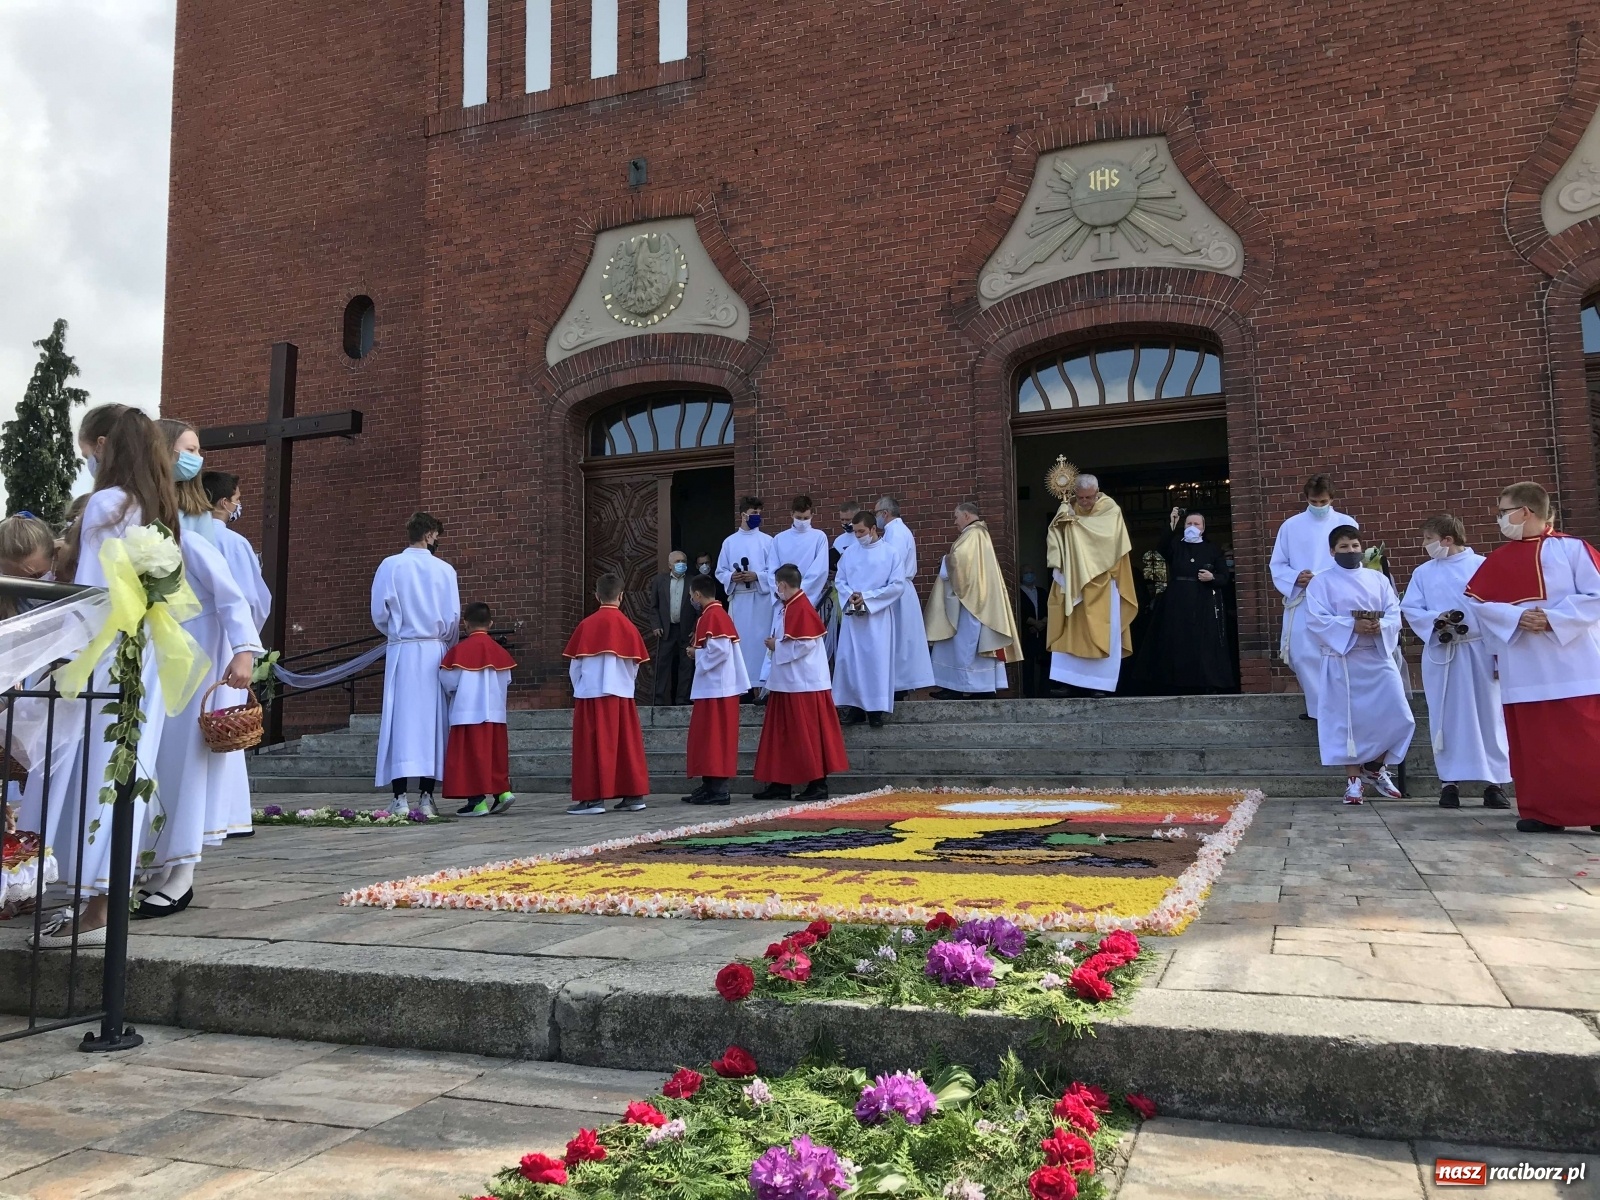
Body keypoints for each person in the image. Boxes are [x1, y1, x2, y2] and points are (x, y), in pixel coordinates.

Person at [34, 407, 179, 946]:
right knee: (125, 772)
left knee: (94, 767)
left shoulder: (106, 502)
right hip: (146, 650)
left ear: (107, 447)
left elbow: (93, 590)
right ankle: (107, 897)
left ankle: (89, 899)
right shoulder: (160, 506)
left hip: (106, 647)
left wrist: (62, 649)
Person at [142, 419, 262, 917]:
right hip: (158, 650)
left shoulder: (197, 531)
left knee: (185, 758)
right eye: (189, 449)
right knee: (156, 757)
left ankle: (182, 869)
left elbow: (237, 597)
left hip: (197, 649)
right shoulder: (154, 513)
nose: (197, 457)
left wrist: (243, 649)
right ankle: (154, 859)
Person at [1464, 482, 1600, 834]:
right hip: (1523, 666)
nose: (1499, 518)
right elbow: (1477, 603)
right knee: (1536, 746)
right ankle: (1543, 811)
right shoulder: (1497, 559)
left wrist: (1553, 617)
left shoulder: (1573, 550)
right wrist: (1516, 617)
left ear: (1525, 512)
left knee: (1586, 740)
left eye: (1502, 511)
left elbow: (1596, 595)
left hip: (1575, 664)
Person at [1400, 515, 1511, 810]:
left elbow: (1498, 607)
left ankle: (1494, 784)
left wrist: (1500, 652)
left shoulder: (1482, 566)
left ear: (1446, 540)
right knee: (1445, 717)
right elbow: (1411, 607)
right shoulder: (1424, 573)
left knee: (1489, 715)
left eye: (1428, 539)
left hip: (1480, 649)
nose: (1425, 545)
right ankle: (1449, 783)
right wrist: (1435, 621)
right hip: (1444, 652)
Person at [1305, 526, 1414, 803]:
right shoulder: (1321, 582)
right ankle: (1353, 781)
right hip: (1343, 657)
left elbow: (1393, 612)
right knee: (1347, 722)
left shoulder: (1377, 579)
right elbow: (1316, 620)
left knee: (1400, 716)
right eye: (1343, 547)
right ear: (1332, 551)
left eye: (1354, 545)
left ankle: (1375, 768)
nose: (1351, 551)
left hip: (1377, 655)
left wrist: (1381, 625)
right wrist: (1352, 626)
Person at [371, 512, 460, 817]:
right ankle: (426, 795)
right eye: (437, 536)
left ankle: (399, 797)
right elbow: (452, 618)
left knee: (401, 721)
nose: (437, 542)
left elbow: (379, 613)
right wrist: (444, 641)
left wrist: (398, 631)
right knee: (431, 723)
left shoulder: (390, 566)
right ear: (429, 535)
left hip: (404, 650)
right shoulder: (445, 570)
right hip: (433, 650)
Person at [198, 470, 270, 840]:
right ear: (224, 502)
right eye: (237, 497)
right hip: (228, 644)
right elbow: (254, 600)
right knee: (227, 725)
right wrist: (248, 641)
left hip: (189, 641)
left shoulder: (184, 534)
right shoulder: (233, 543)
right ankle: (228, 815)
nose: (239, 503)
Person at [752, 564, 848, 801]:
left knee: (808, 736)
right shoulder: (790, 607)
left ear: (782, 585)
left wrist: (777, 646)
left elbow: (804, 644)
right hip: (787, 682)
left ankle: (817, 784)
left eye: (777, 585)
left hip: (803, 685)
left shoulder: (801, 608)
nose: (776, 589)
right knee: (782, 735)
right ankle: (780, 783)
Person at [1270, 475, 1359, 719]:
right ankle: (1317, 708)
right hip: (1304, 599)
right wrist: (1296, 577)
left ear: (1332, 499)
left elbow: (1354, 559)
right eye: (1314, 502)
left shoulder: (1345, 522)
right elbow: (1278, 563)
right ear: (1306, 499)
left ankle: (1339, 709)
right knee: (1303, 653)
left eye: (1323, 502)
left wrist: (1326, 578)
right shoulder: (1291, 526)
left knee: (1338, 653)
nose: (1318, 507)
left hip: (1337, 599)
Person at [564, 573, 650, 814]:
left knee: (591, 746)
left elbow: (575, 665)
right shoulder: (629, 627)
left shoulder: (586, 626)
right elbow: (635, 666)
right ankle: (633, 796)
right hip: (622, 695)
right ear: (621, 597)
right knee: (626, 745)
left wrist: (580, 687)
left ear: (596, 595)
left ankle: (593, 800)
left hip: (591, 695)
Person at [1046, 473, 1137, 695]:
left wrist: (1074, 525)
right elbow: (1056, 535)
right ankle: (1067, 682)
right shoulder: (1070, 507)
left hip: (1103, 582)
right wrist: (1061, 521)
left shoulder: (1110, 509)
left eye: (1089, 497)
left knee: (1102, 629)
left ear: (1097, 493)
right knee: (1070, 630)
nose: (1085, 502)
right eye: (1081, 498)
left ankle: (1100, 684)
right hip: (1073, 581)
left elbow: (1105, 539)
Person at [926, 502, 1021, 699]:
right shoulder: (978, 534)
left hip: (970, 604)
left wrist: (945, 560)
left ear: (967, 516)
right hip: (973, 598)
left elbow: (961, 562)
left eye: (956, 517)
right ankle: (961, 686)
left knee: (965, 644)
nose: (955, 522)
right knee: (961, 645)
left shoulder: (973, 534)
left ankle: (968, 687)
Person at [1143, 508, 1234, 693]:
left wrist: (1212, 577)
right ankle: (1175, 683)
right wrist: (1172, 523)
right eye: (1189, 524)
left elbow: (1224, 577)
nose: (1192, 527)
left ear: (1203, 528)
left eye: (1196, 524)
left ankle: (1206, 682)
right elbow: (1162, 546)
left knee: (1204, 643)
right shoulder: (1176, 545)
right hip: (1177, 601)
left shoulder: (1211, 549)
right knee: (1176, 640)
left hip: (1203, 601)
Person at [440, 602, 517, 817]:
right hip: (495, 713)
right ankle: (502, 792)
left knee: (471, 758)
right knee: (495, 755)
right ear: (491, 623)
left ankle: (477, 802)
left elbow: (448, 683)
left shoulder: (458, 652)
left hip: (467, 712)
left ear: (464, 623)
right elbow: (507, 680)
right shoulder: (500, 652)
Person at [831, 509, 904, 726]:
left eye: (862, 531)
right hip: (854, 617)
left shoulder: (890, 553)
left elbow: (897, 585)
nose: (858, 535)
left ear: (873, 529)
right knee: (851, 661)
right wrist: (851, 596)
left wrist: (868, 598)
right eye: (855, 532)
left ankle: (875, 710)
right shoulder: (850, 553)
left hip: (878, 617)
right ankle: (854, 708)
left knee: (875, 662)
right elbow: (840, 580)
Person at [683, 574, 749, 805]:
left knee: (715, 740)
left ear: (698, 595)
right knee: (705, 739)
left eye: (691, 595)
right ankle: (709, 785)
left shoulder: (714, 616)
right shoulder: (713, 614)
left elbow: (719, 651)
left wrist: (695, 653)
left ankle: (719, 790)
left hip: (719, 689)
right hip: (711, 687)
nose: (691, 598)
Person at [873, 496, 936, 698]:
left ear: (885, 513)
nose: (876, 518)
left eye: (876, 513)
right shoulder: (894, 531)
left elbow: (892, 564)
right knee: (898, 640)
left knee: (899, 640)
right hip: (897, 590)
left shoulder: (897, 533)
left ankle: (899, 686)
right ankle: (897, 685)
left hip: (897, 590)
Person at [716, 497, 777, 699]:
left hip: (761, 602)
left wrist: (757, 576)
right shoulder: (729, 542)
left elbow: (775, 572)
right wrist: (732, 577)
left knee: (760, 645)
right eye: (753, 513)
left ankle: (762, 688)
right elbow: (720, 571)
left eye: (759, 514)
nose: (756, 517)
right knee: (740, 645)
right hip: (740, 600)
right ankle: (742, 689)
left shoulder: (768, 541)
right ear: (743, 515)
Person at [649, 550, 696, 706]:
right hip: (666, 630)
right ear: (669, 565)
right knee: (662, 665)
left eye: (683, 561)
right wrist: (656, 625)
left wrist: (696, 629)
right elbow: (653, 606)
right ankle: (659, 700)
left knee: (686, 666)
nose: (680, 564)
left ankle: (682, 699)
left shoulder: (692, 581)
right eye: (677, 562)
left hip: (686, 630)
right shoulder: (659, 581)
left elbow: (699, 608)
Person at [1017, 565, 1049, 698]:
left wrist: (1043, 622)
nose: (1029, 575)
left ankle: (1044, 692)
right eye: (1026, 573)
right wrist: (1034, 623)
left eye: (1031, 572)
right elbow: (1019, 612)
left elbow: (1051, 608)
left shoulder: (1042, 592)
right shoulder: (1018, 593)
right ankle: (1028, 693)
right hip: (1027, 633)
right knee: (1027, 665)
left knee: (1045, 664)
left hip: (1043, 633)